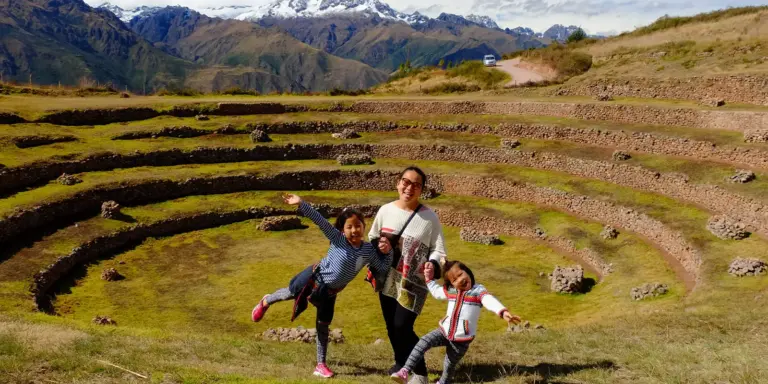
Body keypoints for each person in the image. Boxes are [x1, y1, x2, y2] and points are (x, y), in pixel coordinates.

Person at [251, 193, 394, 378]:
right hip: (313, 279)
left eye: (358, 226)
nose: (354, 230)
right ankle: (266, 301)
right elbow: (321, 221)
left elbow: (382, 267)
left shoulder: (368, 250)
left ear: (364, 227)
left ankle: (320, 365)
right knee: (288, 294)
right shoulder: (338, 240)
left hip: (330, 293)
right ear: (342, 229)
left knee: (323, 326)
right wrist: (301, 204)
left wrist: (388, 252)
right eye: (349, 227)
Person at [368, 166, 447, 384]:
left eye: (416, 184)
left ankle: (420, 372)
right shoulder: (385, 210)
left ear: (421, 189)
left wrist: (432, 263)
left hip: (414, 283)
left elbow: (438, 249)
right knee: (391, 324)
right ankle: (401, 362)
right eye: (406, 181)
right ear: (398, 183)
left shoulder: (429, 217)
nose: (409, 187)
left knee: (403, 326)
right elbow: (373, 235)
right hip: (387, 277)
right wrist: (380, 244)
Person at [390, 260, 522, 384]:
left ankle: (443, 382)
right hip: (444, 331)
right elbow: (437, 292)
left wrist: (502, 311)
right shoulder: (451, 291)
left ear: (467, 271)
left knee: (449, 365)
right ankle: (404, 371)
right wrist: (429, 279)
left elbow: (488, 299)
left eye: (461, 274)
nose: (460, 279)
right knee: (423, 342)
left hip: (461, 340)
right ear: (451, 284)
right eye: (455, 279)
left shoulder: (478, 291)